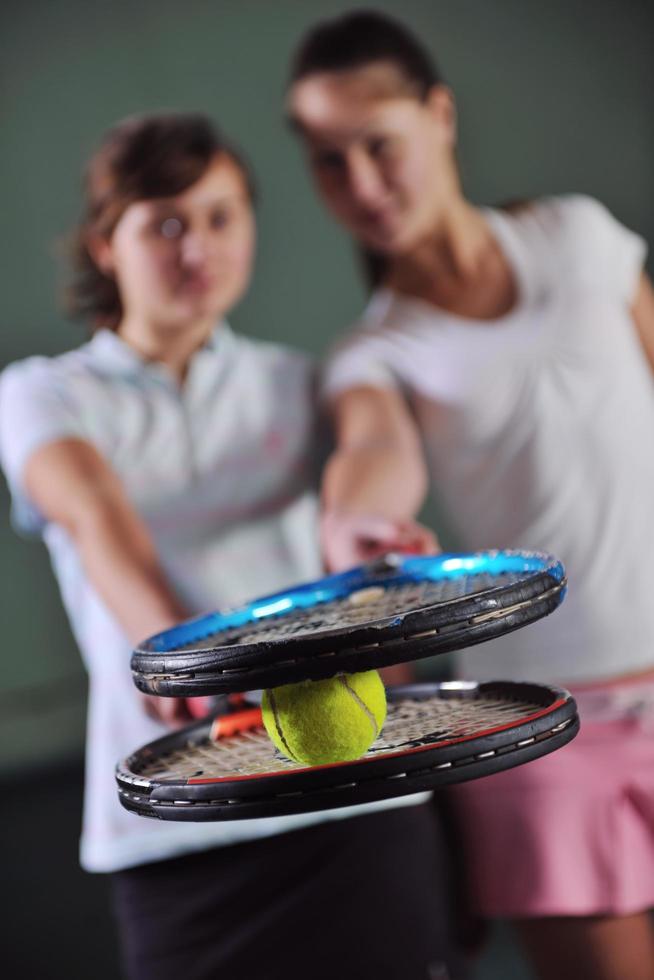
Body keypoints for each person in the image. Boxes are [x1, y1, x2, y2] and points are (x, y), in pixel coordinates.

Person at [0, 113, 464, 980]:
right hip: (178, 826)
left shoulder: (301, 383)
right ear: (107, 244)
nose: (197, 247)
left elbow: (370, 467)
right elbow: (98, 524)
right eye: (164, 223)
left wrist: (364, 530)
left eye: (221, 217)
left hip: (357, 804)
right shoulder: (40, 396)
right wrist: (191, 664)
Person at [286, 10, 654, 980]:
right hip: (538, 737)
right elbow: (373, 446)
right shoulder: (374, 350)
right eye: (329, 161)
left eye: (379, 144)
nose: (362, 185)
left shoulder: (581, 237)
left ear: (439, 115)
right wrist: (351, 520)